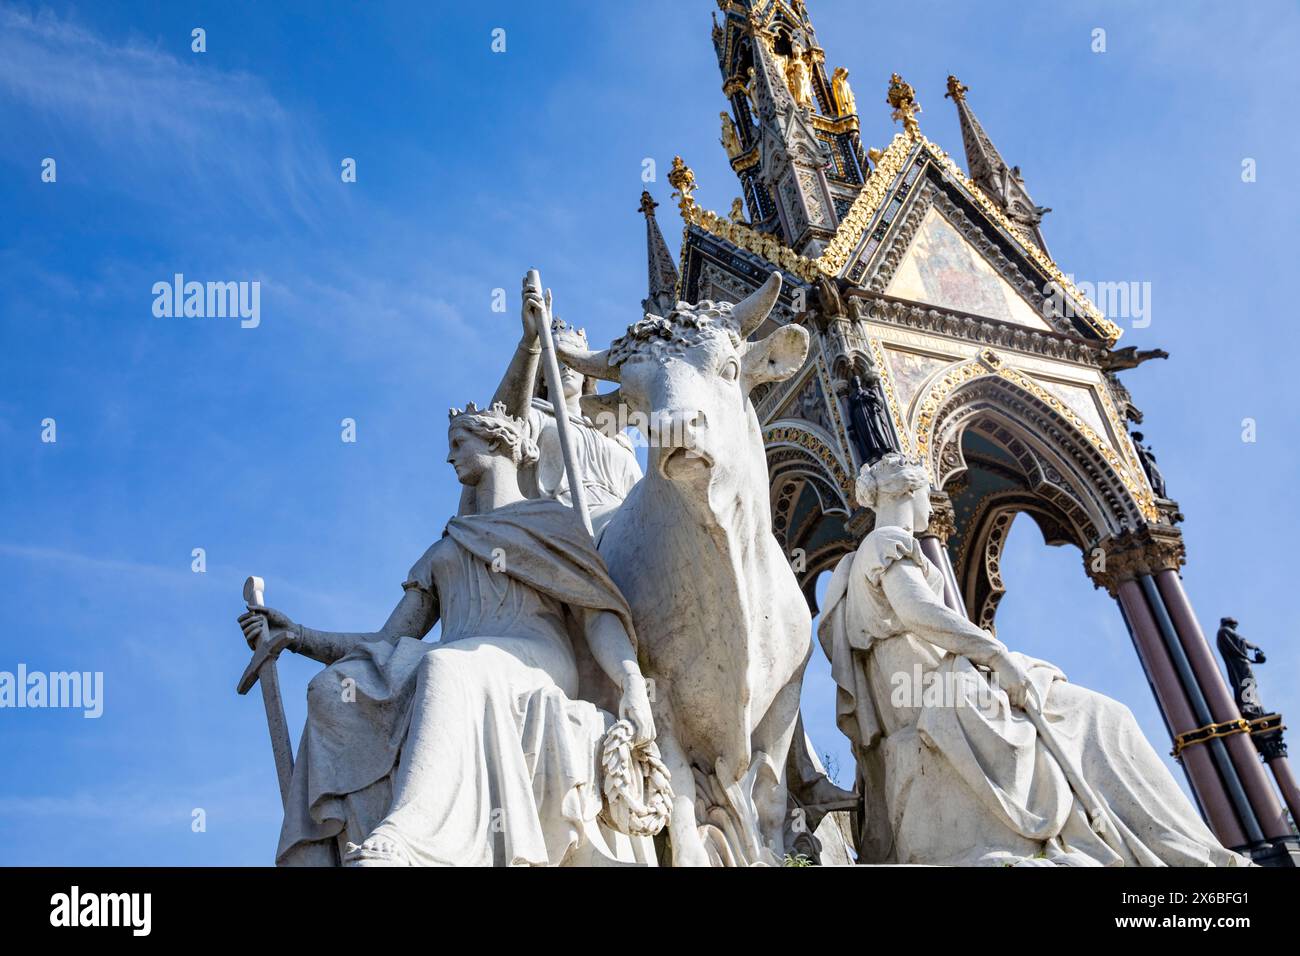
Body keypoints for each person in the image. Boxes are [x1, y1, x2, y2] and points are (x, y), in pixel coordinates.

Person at [238, 402, 660, 866]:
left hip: (534, 657)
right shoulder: (450, 544)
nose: (449, 458)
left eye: (459, 443)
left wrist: (630, 681)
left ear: (496, 442)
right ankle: (322, 853)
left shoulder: (550, 523)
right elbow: (386, 641)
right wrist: (297, 635)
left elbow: (597, 613)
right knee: (331, 690)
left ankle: (410, 835)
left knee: (446, 664)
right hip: (465, 655)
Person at [818, 453, 1247, 866]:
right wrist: (995, 654)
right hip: (936, 687)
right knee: (1101, 717)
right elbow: (919, 613)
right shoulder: (887, 543)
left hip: (933, 684)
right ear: (907, 493)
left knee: (1096, 715)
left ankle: (1169, 847)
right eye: (928, 494)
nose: (931, 505)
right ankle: (1176, 850)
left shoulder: (866, 555)